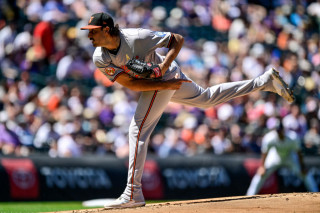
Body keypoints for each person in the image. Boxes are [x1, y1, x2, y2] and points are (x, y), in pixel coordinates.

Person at [80, 12, 295, 209]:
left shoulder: (136, 37)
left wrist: (163, 69)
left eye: (93, 31)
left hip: (165, 74)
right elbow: (132, 84)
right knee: (206, 99)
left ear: (106, 29)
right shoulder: (100, 57)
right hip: (160, 83)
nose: (89, 36)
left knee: (137, 130)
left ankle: (133, 193)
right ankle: (264, 81)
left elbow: (177, 40)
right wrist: (163, 84)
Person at [246, 120, 319, 196]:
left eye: (281, 130)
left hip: (289, 157)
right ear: (275, 130)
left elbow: (299, 153)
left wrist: (302, 166)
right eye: (278, 130)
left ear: (284, 130)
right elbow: (265, 153)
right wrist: (262, 166)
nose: (279, 132)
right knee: (260, 174)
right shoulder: (269, 138)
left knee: (305, 173)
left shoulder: (292, 137)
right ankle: (249, 195)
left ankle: (316, 194)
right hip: (275, 156)